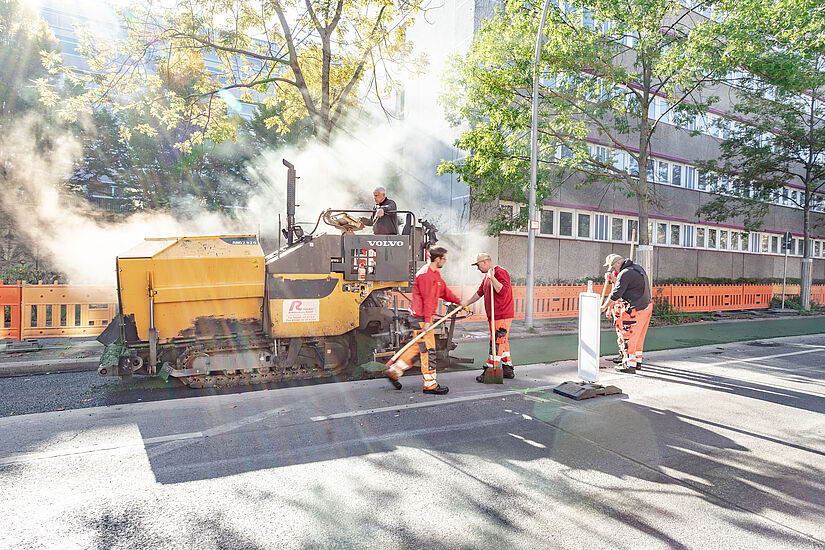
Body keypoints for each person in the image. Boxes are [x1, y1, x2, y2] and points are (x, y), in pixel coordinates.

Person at [385, 245, 461, 394]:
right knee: (428, 351)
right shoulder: (426, 275)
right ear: (437, 259)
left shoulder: (435, 274)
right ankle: (430, 384)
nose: (445, 261)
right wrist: (427, 321)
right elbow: (427, 300)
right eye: (444, 259)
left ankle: (394, 372)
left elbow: (444, 291)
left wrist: (459, 302)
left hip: (422, 318)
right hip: (421, 318)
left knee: (417, 348)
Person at [460, 253, 515, 381]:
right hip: (494, 315)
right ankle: (508, 368)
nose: (477, 268)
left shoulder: (500, 272)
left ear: (485, 262)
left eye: (478, 265)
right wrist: (466, 302)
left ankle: (491, 371)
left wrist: (493, 278)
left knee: (497, 342)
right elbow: (480, 292)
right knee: (503, 341)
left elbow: (503, 291)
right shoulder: (486, 277)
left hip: (502, 314)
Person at [600, 253, 652, 373]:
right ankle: (637, 361)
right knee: (638, 338)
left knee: (628, 337)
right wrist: (614, 279)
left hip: (634, 309)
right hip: (646, 306)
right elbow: (626, 285)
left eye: (613, 268)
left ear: (618, 263)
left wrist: (603, 307)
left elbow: (616, 293)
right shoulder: (637, 268)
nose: (614, 270)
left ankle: (628, 365)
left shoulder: (625, 273)